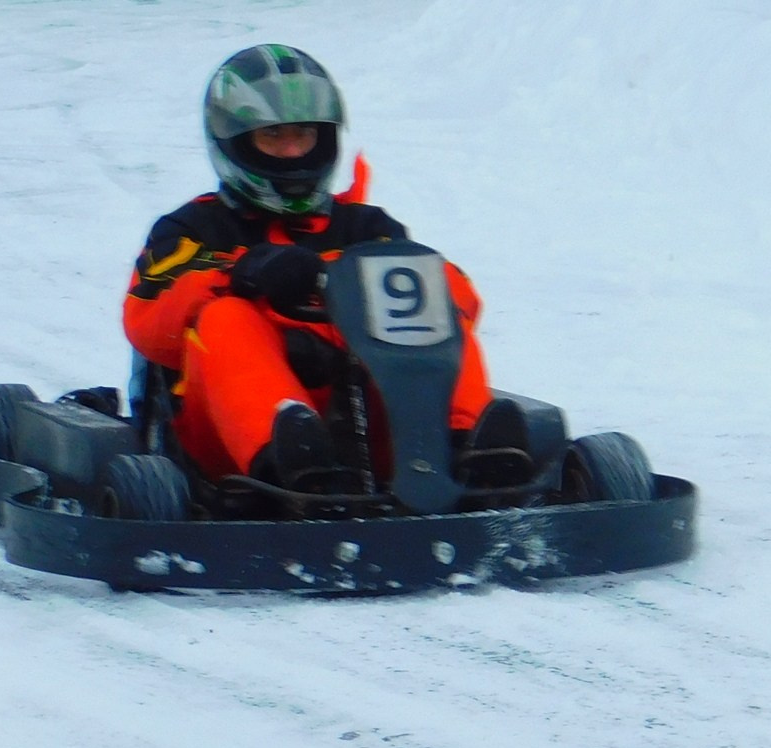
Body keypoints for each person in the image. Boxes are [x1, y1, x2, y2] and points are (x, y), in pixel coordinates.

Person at [123, 43, 493, 488]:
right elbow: (148, 321)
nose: (293, 152)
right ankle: (293, 461)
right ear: (235, 143)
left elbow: (458, 299)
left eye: (304, 135)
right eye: (273, 137)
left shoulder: (368, 228)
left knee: (434, 303)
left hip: (382, 430)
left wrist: (336, 276)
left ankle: (465, 444)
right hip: (226, 445)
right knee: (225, 316)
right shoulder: (190, 230)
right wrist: (244, 274)